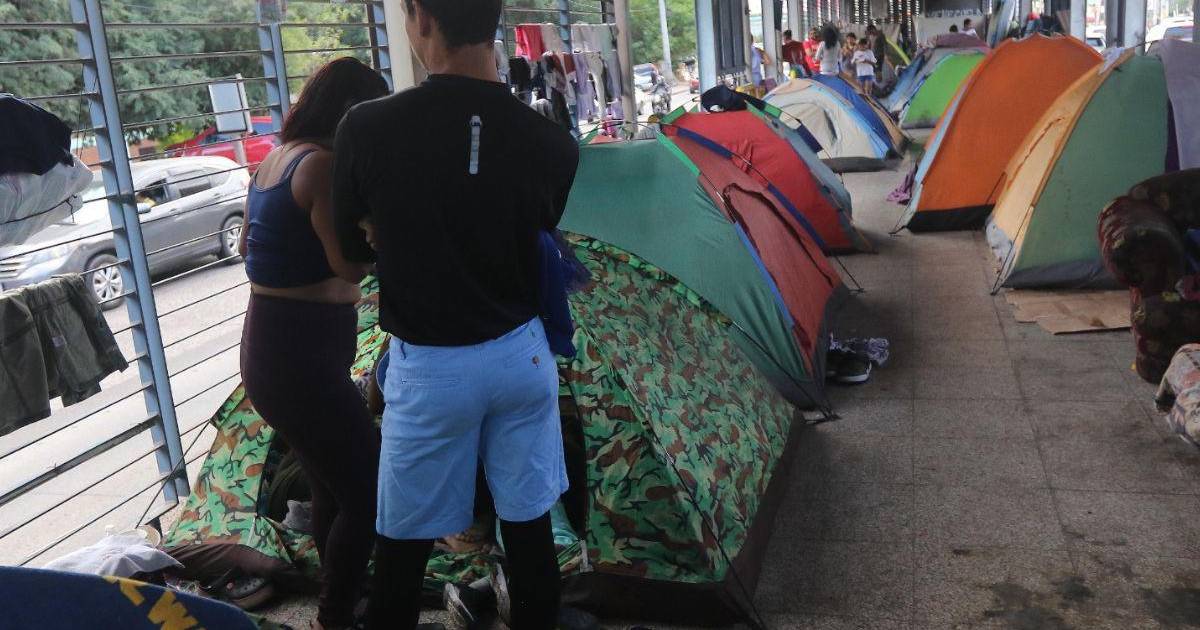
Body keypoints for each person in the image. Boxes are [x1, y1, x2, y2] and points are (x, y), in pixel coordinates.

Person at [330, 0, 579, 628]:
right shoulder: (552, 143)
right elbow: (535, 227)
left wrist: (391, 232)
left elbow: (351, 255)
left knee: (402, 548)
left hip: (431, 369)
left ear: (420, 16)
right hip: (522, 357)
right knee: (529, 534)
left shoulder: (366, 127)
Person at [238, 57, 389, 630]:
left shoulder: (275, 160)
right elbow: (349, 267)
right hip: (299, 356)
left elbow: (251, 248)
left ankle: (342, 604)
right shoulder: (321, 166)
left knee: (332, 485)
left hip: (275, 347)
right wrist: (383, 234)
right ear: (350, 113)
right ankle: (335, 616)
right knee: (369, 489)